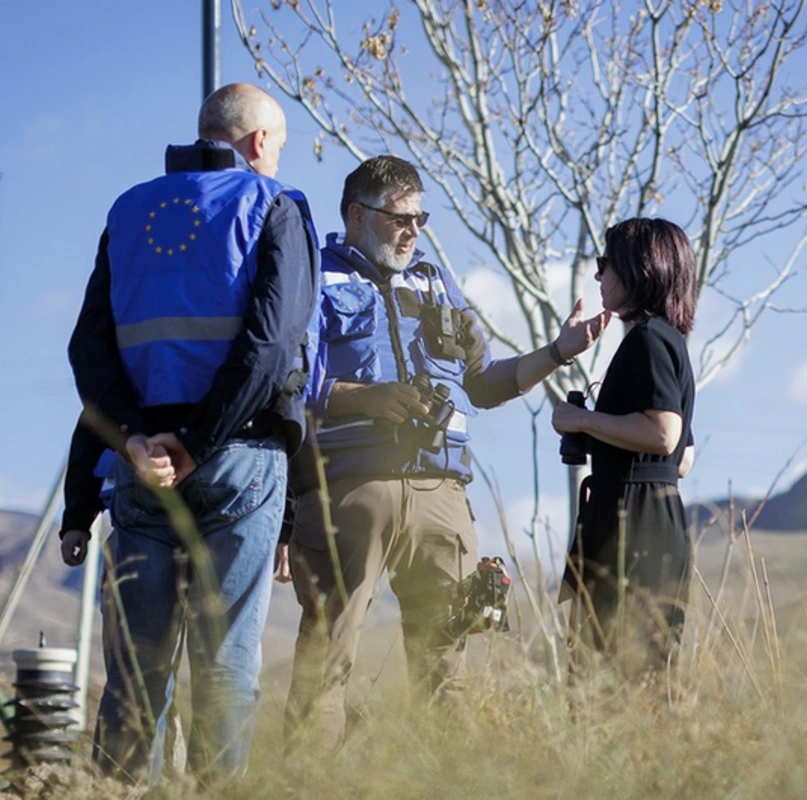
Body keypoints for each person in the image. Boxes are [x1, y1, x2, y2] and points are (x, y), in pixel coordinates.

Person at [285, 155, 609, 750]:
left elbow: (486, 382)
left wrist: (559, 351)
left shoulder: (436, 281)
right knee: (326, 662)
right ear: (357, 215)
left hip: (443, 498)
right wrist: (364, 397)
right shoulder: (314, 275)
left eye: (420, 218)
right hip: (347, 493)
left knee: (446, 673)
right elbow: (289, 380)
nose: (413, 231)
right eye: (399, 218)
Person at [66, 83, 319, 784]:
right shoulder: (276, 205)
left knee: (135, 675)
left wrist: (137, 443)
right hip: (235, 461)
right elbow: (272, 347)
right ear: (261, 143)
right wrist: (198, 443)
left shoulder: (125, 212)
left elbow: (88, 351)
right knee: (225, 667)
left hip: (140, 469)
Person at [551, 217, 697, 682]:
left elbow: (664, 436)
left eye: (605, 263)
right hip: (659, 520)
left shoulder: (648, 340)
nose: (597, 276)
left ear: (639, 269)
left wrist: (582, 420)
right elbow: (684, 459)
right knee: (646, 679)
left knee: (609, 681)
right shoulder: (669, 341)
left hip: (630, 525)